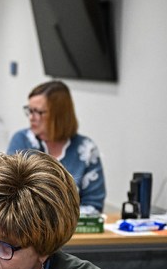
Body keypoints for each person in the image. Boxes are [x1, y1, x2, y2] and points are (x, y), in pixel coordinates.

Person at [6, 80, 106, 214]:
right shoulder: (21, 141)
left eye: (38, 112)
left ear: (59, 115)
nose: (31, 117)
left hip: (73, 232)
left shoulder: (87, 148)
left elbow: (94, 206)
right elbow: (7, 196)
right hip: (26, 231)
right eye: (29, 110)